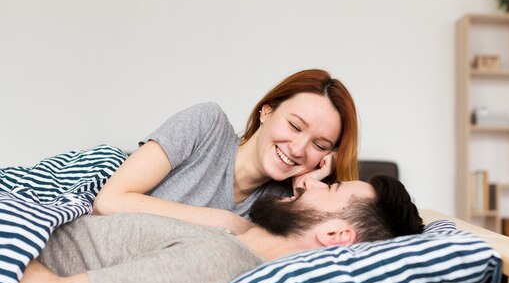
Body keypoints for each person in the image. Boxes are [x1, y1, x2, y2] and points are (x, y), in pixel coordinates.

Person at [10, 175, 424, 283]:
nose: (306, 182)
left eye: (328, 188)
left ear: (335, 236)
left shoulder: (216, 264)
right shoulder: (228, 234)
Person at [93, 69, 359, 234]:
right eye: (294, 125)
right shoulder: (207, 124)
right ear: (266, 111)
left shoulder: (280, 206)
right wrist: (225, 222)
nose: (299, 149)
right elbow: (109, 201)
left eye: (319, 145)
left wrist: (306, 192)